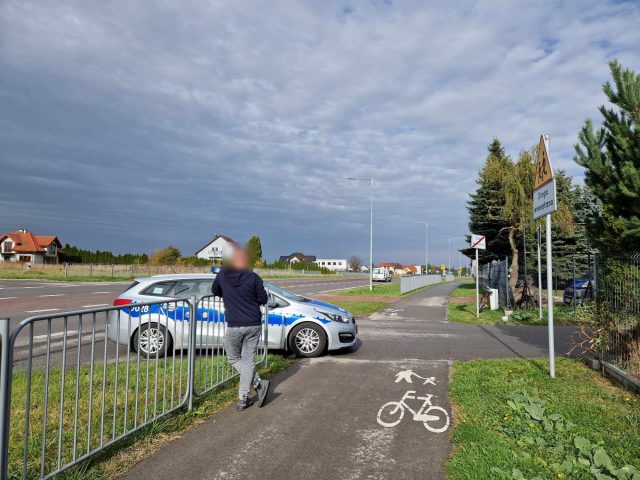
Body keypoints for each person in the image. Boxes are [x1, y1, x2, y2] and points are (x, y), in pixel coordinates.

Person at [212, 247, 271, 410]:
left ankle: (252, 390)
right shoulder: (253, 277)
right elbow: (263, 298)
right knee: (248, 361)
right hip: (253, 323)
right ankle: (248, 393)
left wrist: (229, 293)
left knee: (233, 358)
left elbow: (214, 290)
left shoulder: (222, 275)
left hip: (235, 324)